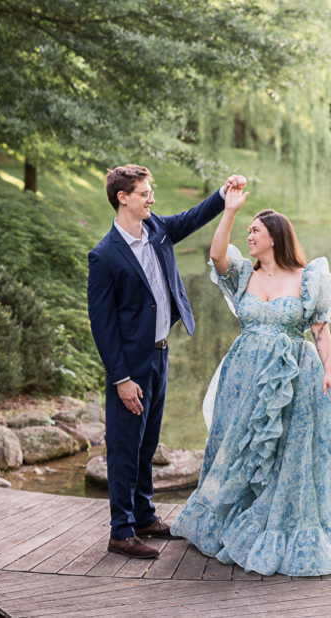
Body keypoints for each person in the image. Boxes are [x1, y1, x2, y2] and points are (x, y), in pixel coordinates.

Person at [170, 187, 331, 576]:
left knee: (287, 454)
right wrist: (229, 210)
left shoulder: (307, 278)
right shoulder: (243, 274)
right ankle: (230, 518)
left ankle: (282, 525)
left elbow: (320, 331)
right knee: (236, 445)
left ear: (275, 237)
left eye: (255, 231)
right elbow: (216, 255)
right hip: (243, 375)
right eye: (247, 231)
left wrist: (330, 373)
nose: (248, 237)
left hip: (293, 378)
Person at [87, 164, 247, 560]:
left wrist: (223, 197)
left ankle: (143, 516)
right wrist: (121, 378)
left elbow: (191, 219)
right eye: (144, 193)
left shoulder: (157, 230)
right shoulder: (104, 256)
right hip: (130, 366)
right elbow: (102, 325)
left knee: (147, 443)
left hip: (161, 353)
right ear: (123, 198)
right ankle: (120, 532)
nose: (151, 198)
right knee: (124, 447)